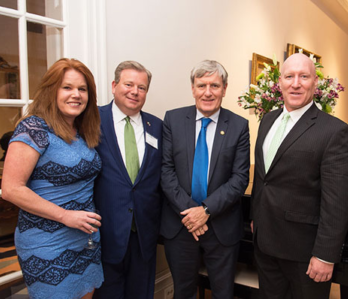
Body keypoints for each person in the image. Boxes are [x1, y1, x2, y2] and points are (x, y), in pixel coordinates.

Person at [250, 53, 348, 299]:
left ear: (315, 83)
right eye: (289, 76)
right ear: (280, 83)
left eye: (304, 76)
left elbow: (338, 201)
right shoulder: (267, 120)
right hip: (265, 242)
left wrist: (325, 255)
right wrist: (256, 215)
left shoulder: (334, 130)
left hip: (305, 252)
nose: (295, 83)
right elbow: (263, 177)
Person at [1, 58, 103, 299]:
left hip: (85, 238)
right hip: (46, 243)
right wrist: (65, 216)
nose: (76, 94)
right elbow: (11, 189)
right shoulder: (33, 128)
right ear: (51, 91)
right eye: (66, 87)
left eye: (82, 89)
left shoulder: (83, 130)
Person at [160, 60, 250, 299]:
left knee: (222, 293)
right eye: (201, 85)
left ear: (225, 88)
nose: (208, 92)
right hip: (181, 225)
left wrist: (206, 210)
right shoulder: (173, 120)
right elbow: (166, 172)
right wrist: (193, 214)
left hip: (222, 227)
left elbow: (240, 178)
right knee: (184, 292)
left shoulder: (239, 126)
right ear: (192, 88)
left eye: (215, 85)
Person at [93, 61, 163, 299]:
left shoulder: (158, 126)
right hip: (105, 232)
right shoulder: (91, 120)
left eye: (142, 87)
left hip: (144, 234)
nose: (135, 91)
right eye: (129, 84)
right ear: (114, 86)